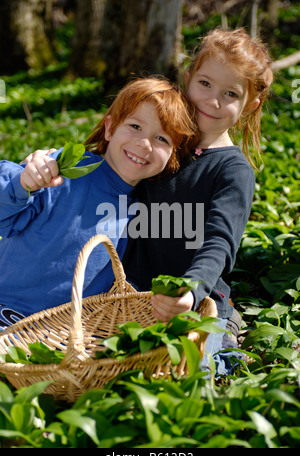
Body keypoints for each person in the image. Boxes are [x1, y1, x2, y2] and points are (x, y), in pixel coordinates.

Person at [123, 27, 273, 375]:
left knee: (189, 372)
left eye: (230, 93)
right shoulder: (159, 144)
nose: (213, 100)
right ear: (188, 78)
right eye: (204, 84)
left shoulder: (232, 171)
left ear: (250, 104)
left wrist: (190, 292)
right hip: (134, 298)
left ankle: (225, 332)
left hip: (197, 301)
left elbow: (219, 242)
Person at [0, 77, 199, 328]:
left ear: (172, 157)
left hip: (64, 336)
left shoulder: (145, 207)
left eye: (162, 139)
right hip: (6, 306)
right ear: (110, 127)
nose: (144, 144)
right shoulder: (66, 170)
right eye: (135, 126)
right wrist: (23, 183)